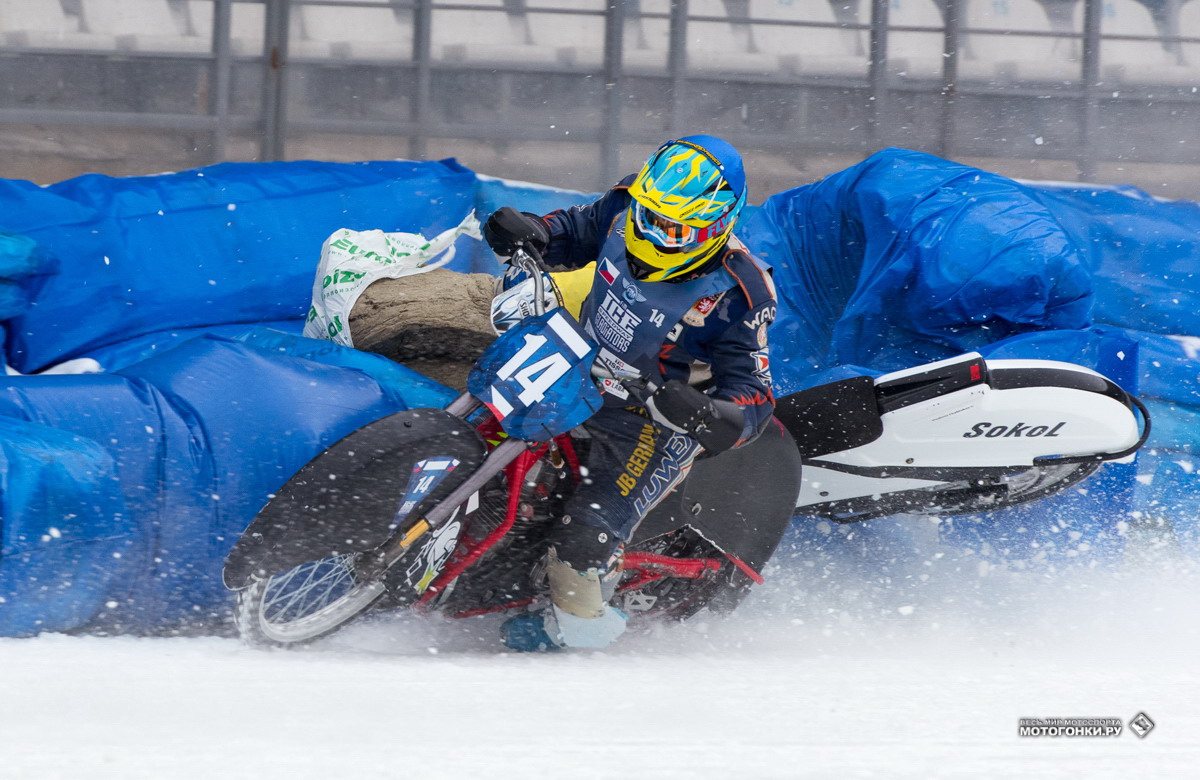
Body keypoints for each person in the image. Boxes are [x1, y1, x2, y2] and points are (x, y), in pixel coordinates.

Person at [482, 135, 777, 651]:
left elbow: (754, 394)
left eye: (674, 227)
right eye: (649, 217)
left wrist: (705, 411)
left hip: (653, 420)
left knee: (581, 537)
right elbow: (570, 231)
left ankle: (579, 630)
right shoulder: (624, 205)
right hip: (575, 364)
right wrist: (531, 231)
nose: (655, 233)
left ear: (717, 225)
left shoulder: (739, 293)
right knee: (484, 425)